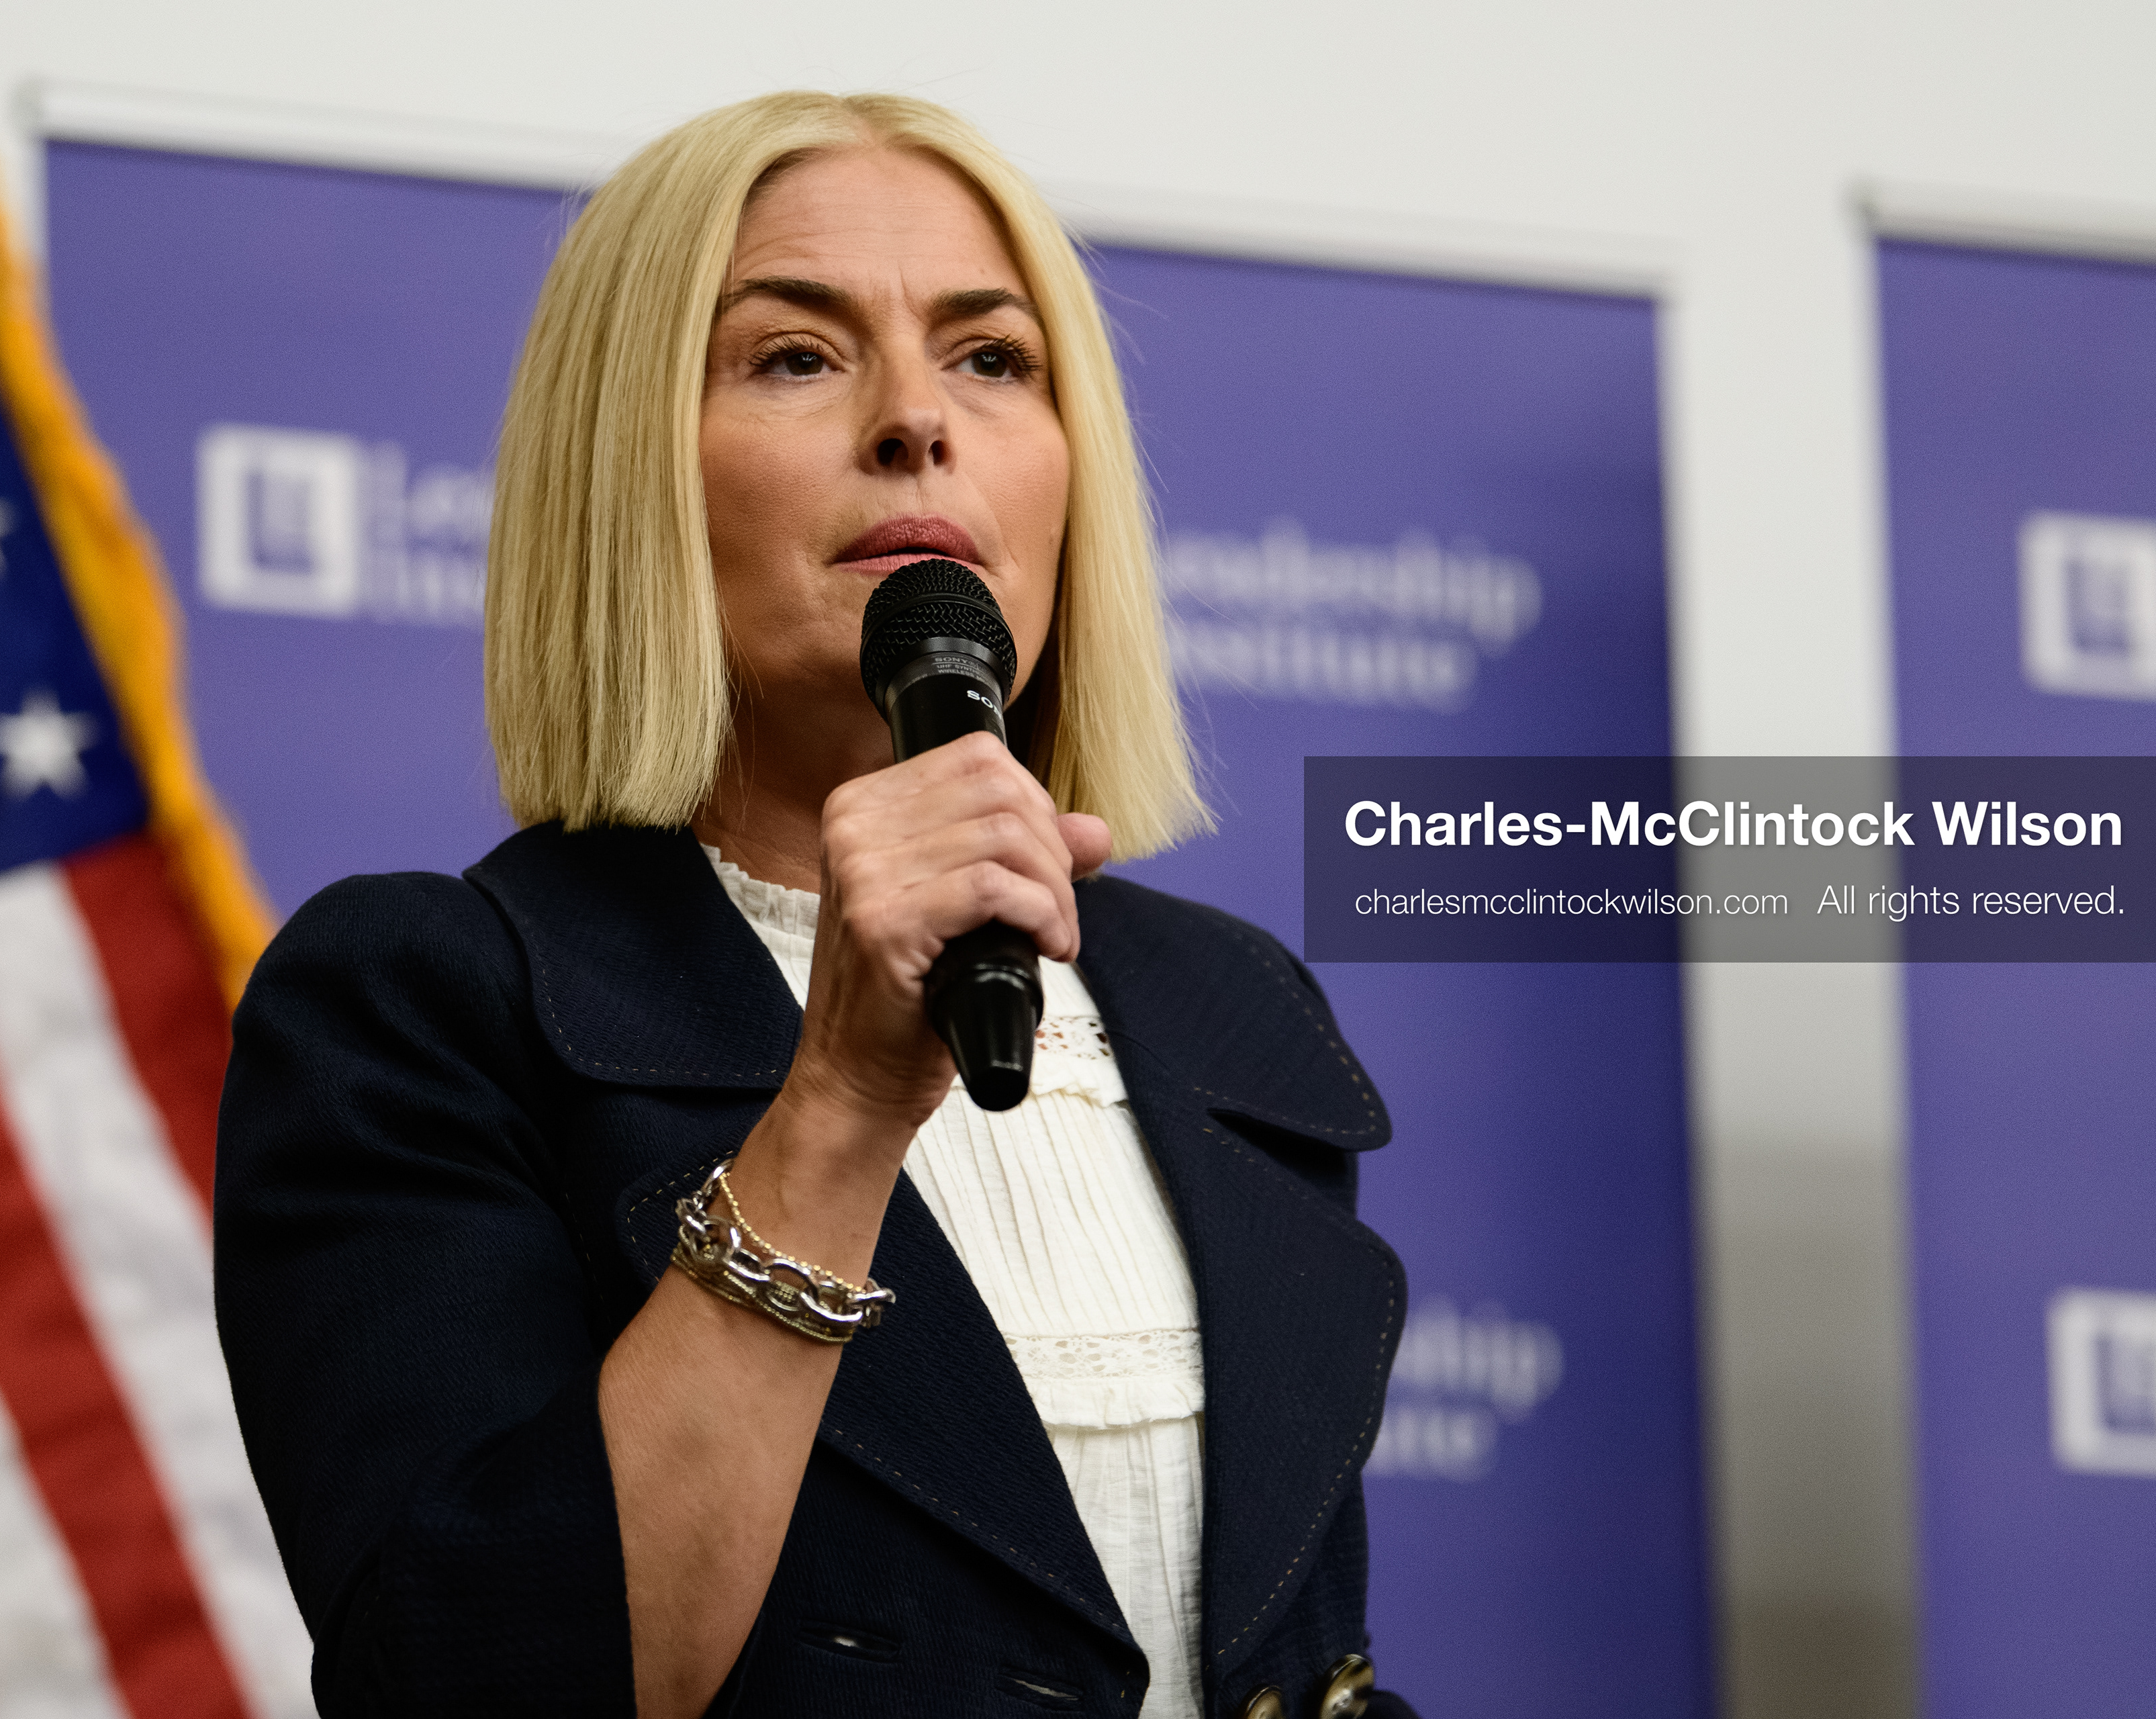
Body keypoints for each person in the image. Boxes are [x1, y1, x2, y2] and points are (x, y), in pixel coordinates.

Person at [216, 90, 1414, 1719]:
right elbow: (484, 1676)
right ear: (629, 470)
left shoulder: (1231, 1007)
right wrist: (842, 1101)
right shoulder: (425, 1005)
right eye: (797, 354)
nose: (919, 419)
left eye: (992, 359)